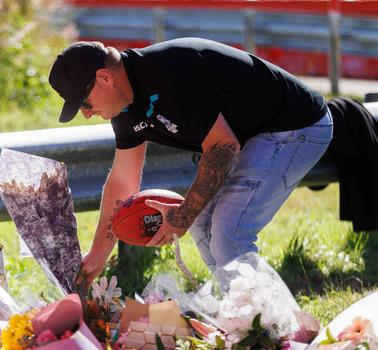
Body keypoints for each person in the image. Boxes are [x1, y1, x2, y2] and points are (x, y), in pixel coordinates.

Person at [48, 37, 333, 285]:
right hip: (250, 136)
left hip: (295, 125)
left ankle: (274, 330)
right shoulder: (123, 108)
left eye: (83, 103)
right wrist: (98, 254)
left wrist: (182, 216)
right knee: (203, 225)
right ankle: (245, 321)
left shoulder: (170, 72)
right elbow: (123, 181)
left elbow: (222, 146)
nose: (86, 114)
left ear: (104, 78)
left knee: (228, 232)